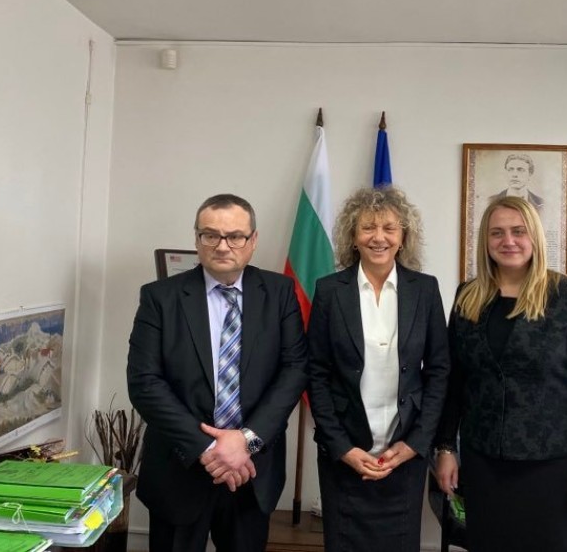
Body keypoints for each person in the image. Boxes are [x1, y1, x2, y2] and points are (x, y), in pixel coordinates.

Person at [127, 194, 307, 552]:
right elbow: (144, 382)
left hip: (251, 471)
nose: (223, 246)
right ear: (197, 239)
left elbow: (295, 369)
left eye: (235, 236)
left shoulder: (279, 293)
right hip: (180, 469)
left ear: (253, 240)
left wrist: (246, 441)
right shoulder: (160, 297)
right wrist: (210, 449)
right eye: (210, 235)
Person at [434, 195, 567, 552]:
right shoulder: (467, 296)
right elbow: (455, 381)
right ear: (485, 241)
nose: (508, 241)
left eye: (518, 231)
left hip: (554, 466)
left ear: (534, 237)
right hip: (484, 463)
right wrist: (445, 447)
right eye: (497, 233)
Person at [307, 186, 449, 552]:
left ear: (403, 236)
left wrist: (415, 444)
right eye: (368, 227)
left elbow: (438, 371)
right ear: (353, 236)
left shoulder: (425, 290)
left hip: (404, 452)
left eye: (389, 227)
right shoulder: (329, 291)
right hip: (345, 453)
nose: (379, 237)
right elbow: (316, 373)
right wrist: (341, 447)